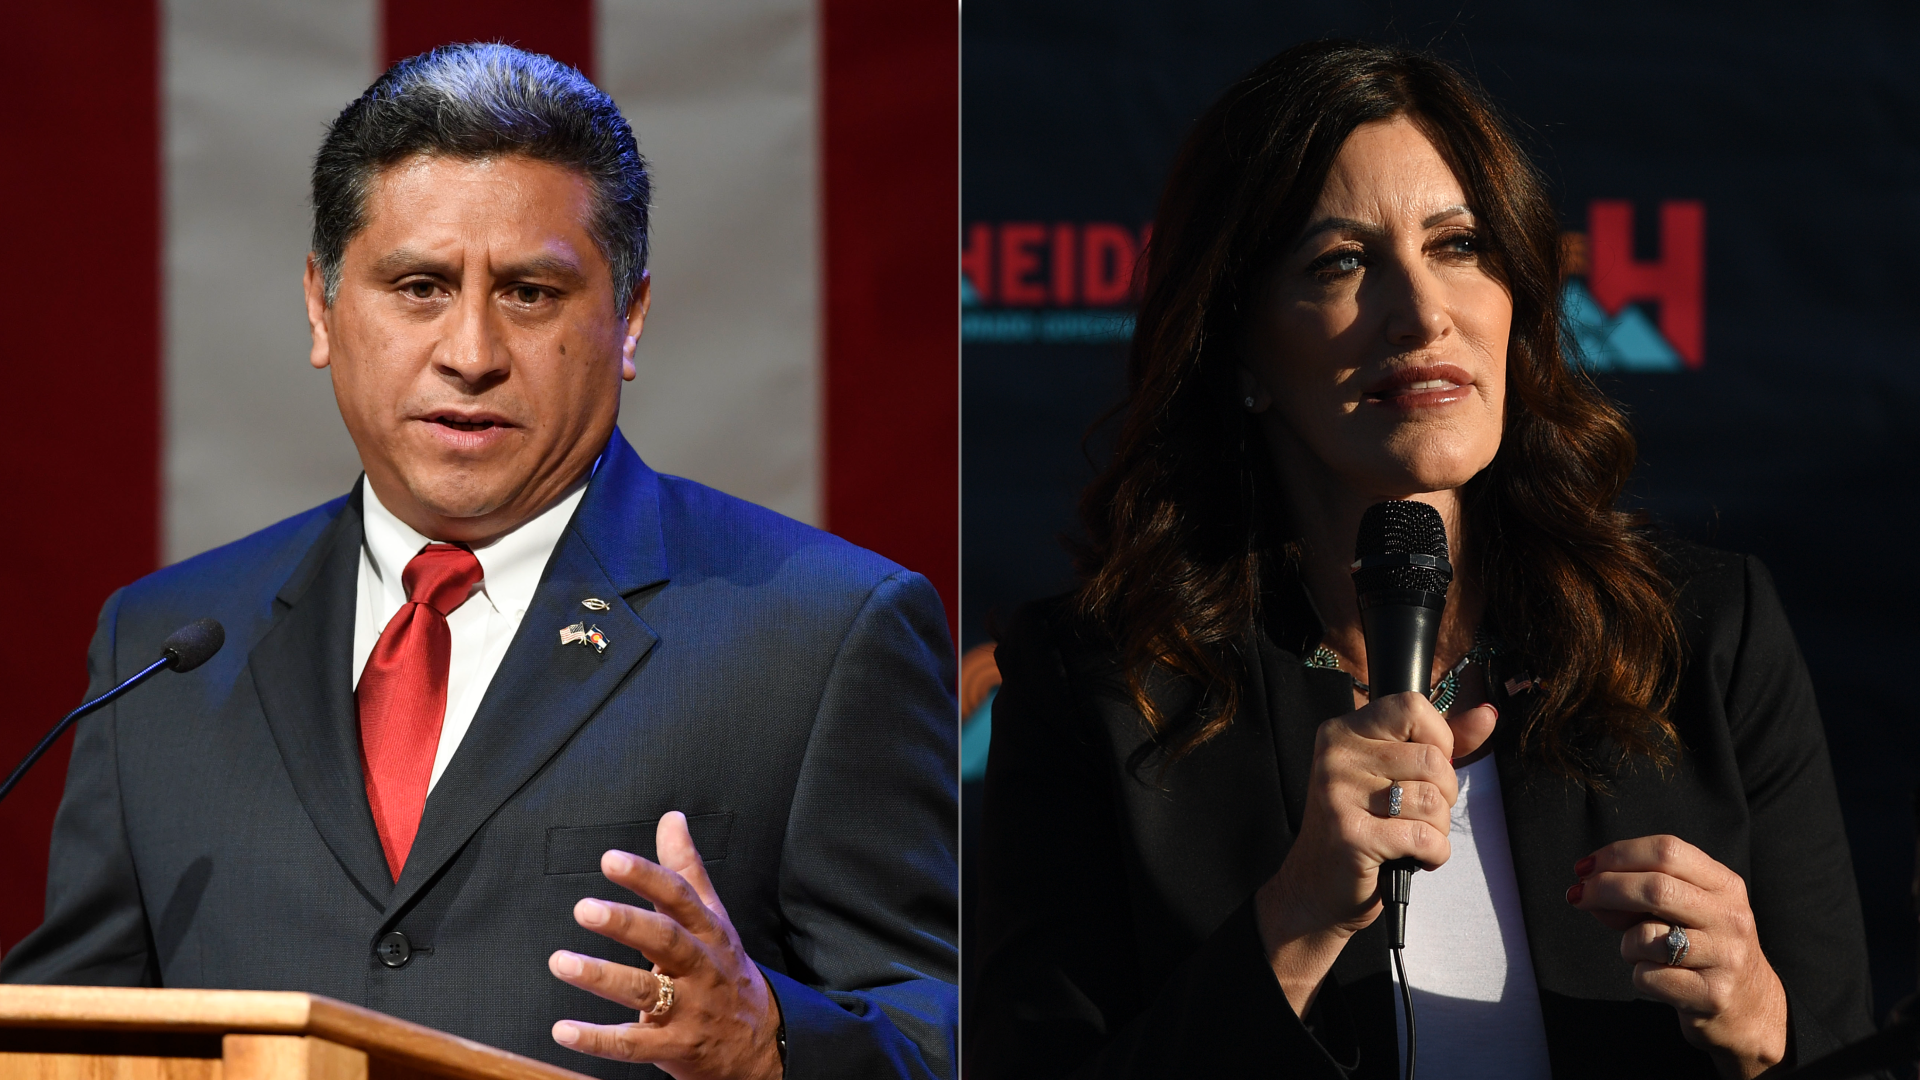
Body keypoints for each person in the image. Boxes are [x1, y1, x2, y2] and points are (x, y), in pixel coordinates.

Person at [0, 43, 956, 1080]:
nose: (470, 351)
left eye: (532, 294)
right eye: (418, 286)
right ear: (322, 307)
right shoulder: (163, 648)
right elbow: (67, 1034)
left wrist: (767, 1041)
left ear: (628, 317)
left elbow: (937, 1036)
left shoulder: (822, 633)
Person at [970, 40, 1871, 1080]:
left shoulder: (1704, 636)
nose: (1424, 312)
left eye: (1459, 245)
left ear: (1517, 296)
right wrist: (1295, 921)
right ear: (1241, 351)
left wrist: (1764, 1026)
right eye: (1342, 263)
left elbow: (1854, 1056)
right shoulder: (1098, 687)